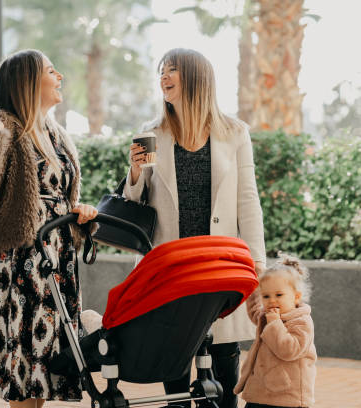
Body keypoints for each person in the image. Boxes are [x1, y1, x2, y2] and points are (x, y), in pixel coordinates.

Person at [125, 47, 266, 408]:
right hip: (171, 265)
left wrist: (258, 264)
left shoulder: (235, 133)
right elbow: (135, 202)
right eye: (161, 71)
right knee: (175, 356)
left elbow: (247, 201)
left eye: (171, 70)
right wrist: (135, 172)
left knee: (223, 355)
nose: (163, 78)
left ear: (195, 77)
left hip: (219, 262)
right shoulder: (150, 134)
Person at [0, 49, 98, 408]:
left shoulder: (57, 134)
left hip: (59, 259)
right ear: (27, 81)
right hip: (25, 259)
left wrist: (80, 212)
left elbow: (62, 196)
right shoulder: (3, 124)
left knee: (47, 371)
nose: (61, 77)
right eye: (52, 71)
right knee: (25, 371)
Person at [234, 253, 316, 408]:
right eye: (266, 296)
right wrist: (252, 286)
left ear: (296, 297)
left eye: (279, 295)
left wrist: (275, 323)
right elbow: (254, 310)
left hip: (287, 397)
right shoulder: (268, 316)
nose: (272, 300)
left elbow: (289, 350)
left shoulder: (301, 321)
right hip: (261, 392)